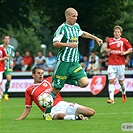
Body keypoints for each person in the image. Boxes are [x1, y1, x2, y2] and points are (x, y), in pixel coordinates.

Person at [51, 7, 103, 99]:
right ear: (67, 16)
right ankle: (47, 113)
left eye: (76, 16)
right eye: (73, 16)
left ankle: (64, 79)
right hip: (64, 62)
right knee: (56, 89)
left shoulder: (76, 26)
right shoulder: (62, 28)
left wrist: (95, 38)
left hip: (74, 62)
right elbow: (55, 43)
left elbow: (82, 33)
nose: (75, 18)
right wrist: (68, 45)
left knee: (84, 83)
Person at [15, 66, 95, 120]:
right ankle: (76, 118)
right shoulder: (29, 90)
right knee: (59, 115)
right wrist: (20, 118)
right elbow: (28, 108)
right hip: (50, 110)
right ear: (33, 75)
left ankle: (77, 116)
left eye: (42, 73)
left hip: (62, 104)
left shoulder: (49, 80)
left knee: (91, 112)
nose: (40, 75)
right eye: (38, 73)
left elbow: (59, 74)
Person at [106, 26, 132, 104]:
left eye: (118, 32)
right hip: (111, 64)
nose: (116, 33)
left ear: (120, 33)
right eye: (115, 32)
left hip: (120, 64)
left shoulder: (123, 41)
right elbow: (108, 49)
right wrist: (108, 51)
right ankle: (111, 99)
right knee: (111, 81)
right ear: (113, 32)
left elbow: (130, 49)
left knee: (121, 82)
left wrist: (124, 53)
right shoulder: (109, 40)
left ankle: (123, 93)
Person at [0, 35, 15, 101]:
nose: (7, 40)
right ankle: (1, 94)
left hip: (8, 66)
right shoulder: (0, 47)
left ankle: (6, 93)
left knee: (9, 79)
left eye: (8, 39)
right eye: (5, 38)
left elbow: (12, 56)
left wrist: (12, 62)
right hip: (1, 66)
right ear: (3, 40)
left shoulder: (11, 48)